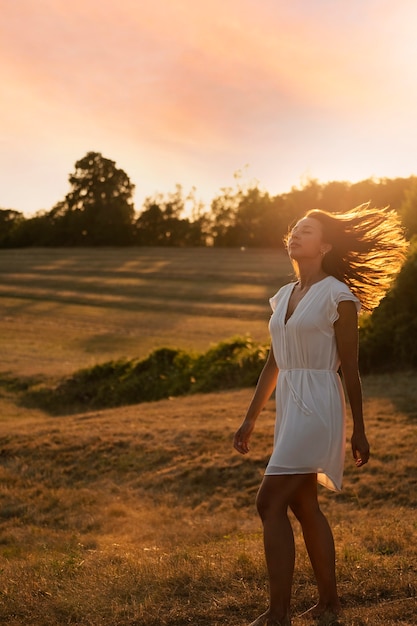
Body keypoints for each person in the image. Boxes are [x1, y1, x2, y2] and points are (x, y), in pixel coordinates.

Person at [233, 205, 407, 626]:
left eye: (306, 230)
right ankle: (328, 604)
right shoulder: (282, 295)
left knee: (269, 502)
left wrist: (360, 430)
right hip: (290, 404)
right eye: (294, 229)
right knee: (304, 506)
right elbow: (274, 363)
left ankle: (279, 614)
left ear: (325, 245)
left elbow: (350, 366)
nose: (295, 234)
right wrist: (251, 418)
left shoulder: (339, 296)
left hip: (319, 404)